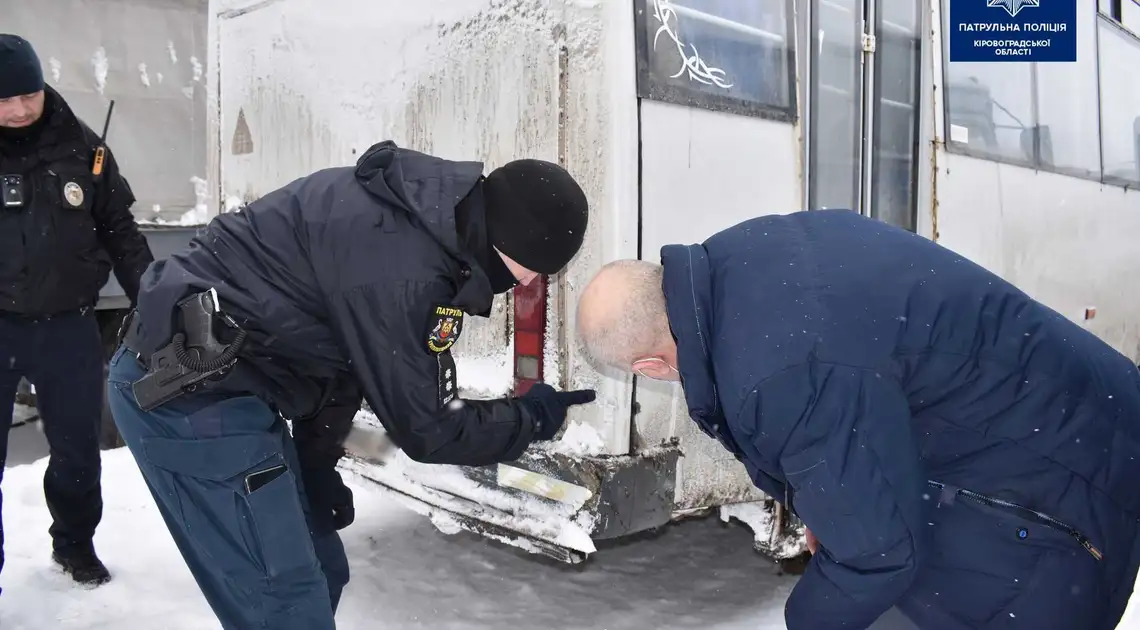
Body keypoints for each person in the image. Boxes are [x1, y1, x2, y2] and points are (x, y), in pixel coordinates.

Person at [105, 140, 598, 630]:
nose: (531, 283)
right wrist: (530, 418)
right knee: (285, 604)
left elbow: (345, 364)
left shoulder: (419, 223)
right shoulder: (406, 271)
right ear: (509, 243)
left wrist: (316, 466)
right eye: (535, 268)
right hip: (185, 396)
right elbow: (429, 430)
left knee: (322, 570)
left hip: (235, 388)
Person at [576, 209, 1140, 630]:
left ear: (649, 364)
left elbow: (878, 552)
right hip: (1061, 408)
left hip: (1065, 471)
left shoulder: (774, 377)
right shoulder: (742, 257)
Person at [0, 34, 153, 587]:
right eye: (4, 99)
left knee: (78, 454)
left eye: (28, 94)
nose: (18, 110)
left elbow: (120, 230)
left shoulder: (83, 148)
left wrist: (151, 296)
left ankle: (75, 544)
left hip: (67, 327)